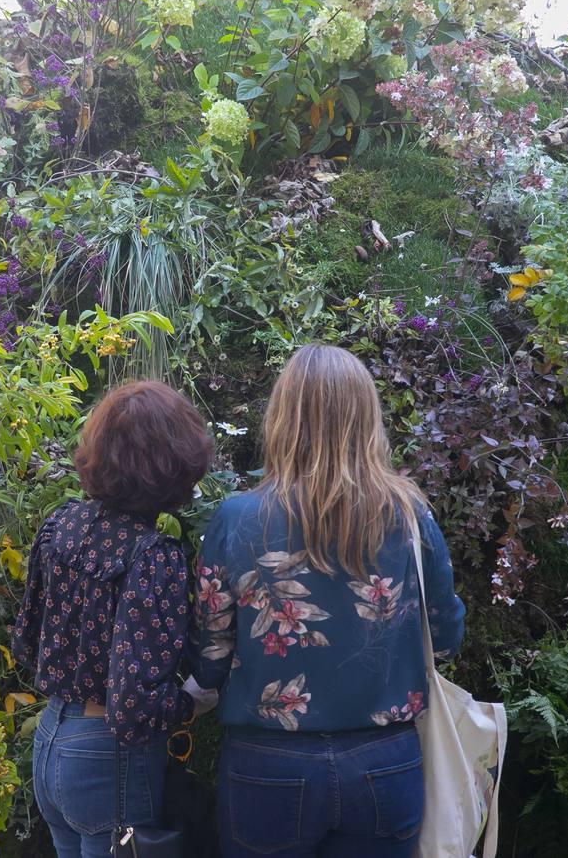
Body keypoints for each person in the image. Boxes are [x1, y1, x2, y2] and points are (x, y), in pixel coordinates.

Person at [193, 344, 466, 858]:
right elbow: (446, 638)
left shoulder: (237, 518)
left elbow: (210, 656)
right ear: (367, 419)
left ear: (282, 418)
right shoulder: (410, 517)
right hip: (385, 762)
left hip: (267, 764)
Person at [11, 380, 216, 858]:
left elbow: (25, 642)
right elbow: (133, 708)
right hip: (108, 757)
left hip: (50, 739)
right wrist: (191, 703)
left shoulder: (60, 524)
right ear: (175, 464)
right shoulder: (152, 556)